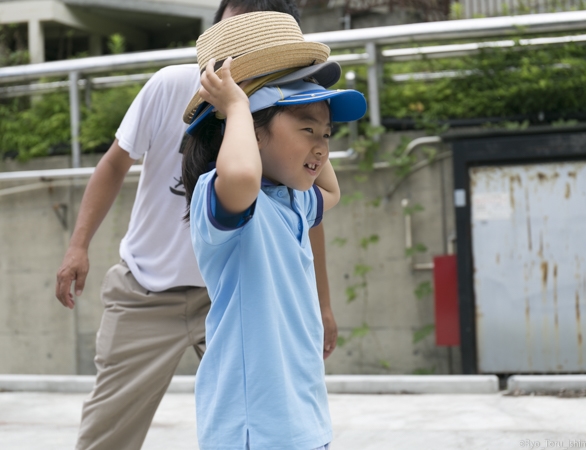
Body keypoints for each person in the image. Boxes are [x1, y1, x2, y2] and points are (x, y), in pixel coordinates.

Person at [54, 2, 337, 449]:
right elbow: (113, 164)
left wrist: (323, 303)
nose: (320, 141)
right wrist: (78, 245)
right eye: (238, 26)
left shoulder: (286, 178)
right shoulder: (180, 94)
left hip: (232, 297)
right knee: (107, 434)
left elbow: (312, 209)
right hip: (149, 289)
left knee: (273, 393)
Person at [180, 14, 367, 448]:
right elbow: (244, 173)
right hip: (252, 427)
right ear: (248, 130)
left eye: (328, 133)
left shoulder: (293, 200)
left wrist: (308, 129)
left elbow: (331, 190)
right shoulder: (226, 200)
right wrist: (238, 107)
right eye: (306, 128)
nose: (322, 145)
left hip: (303, 421)